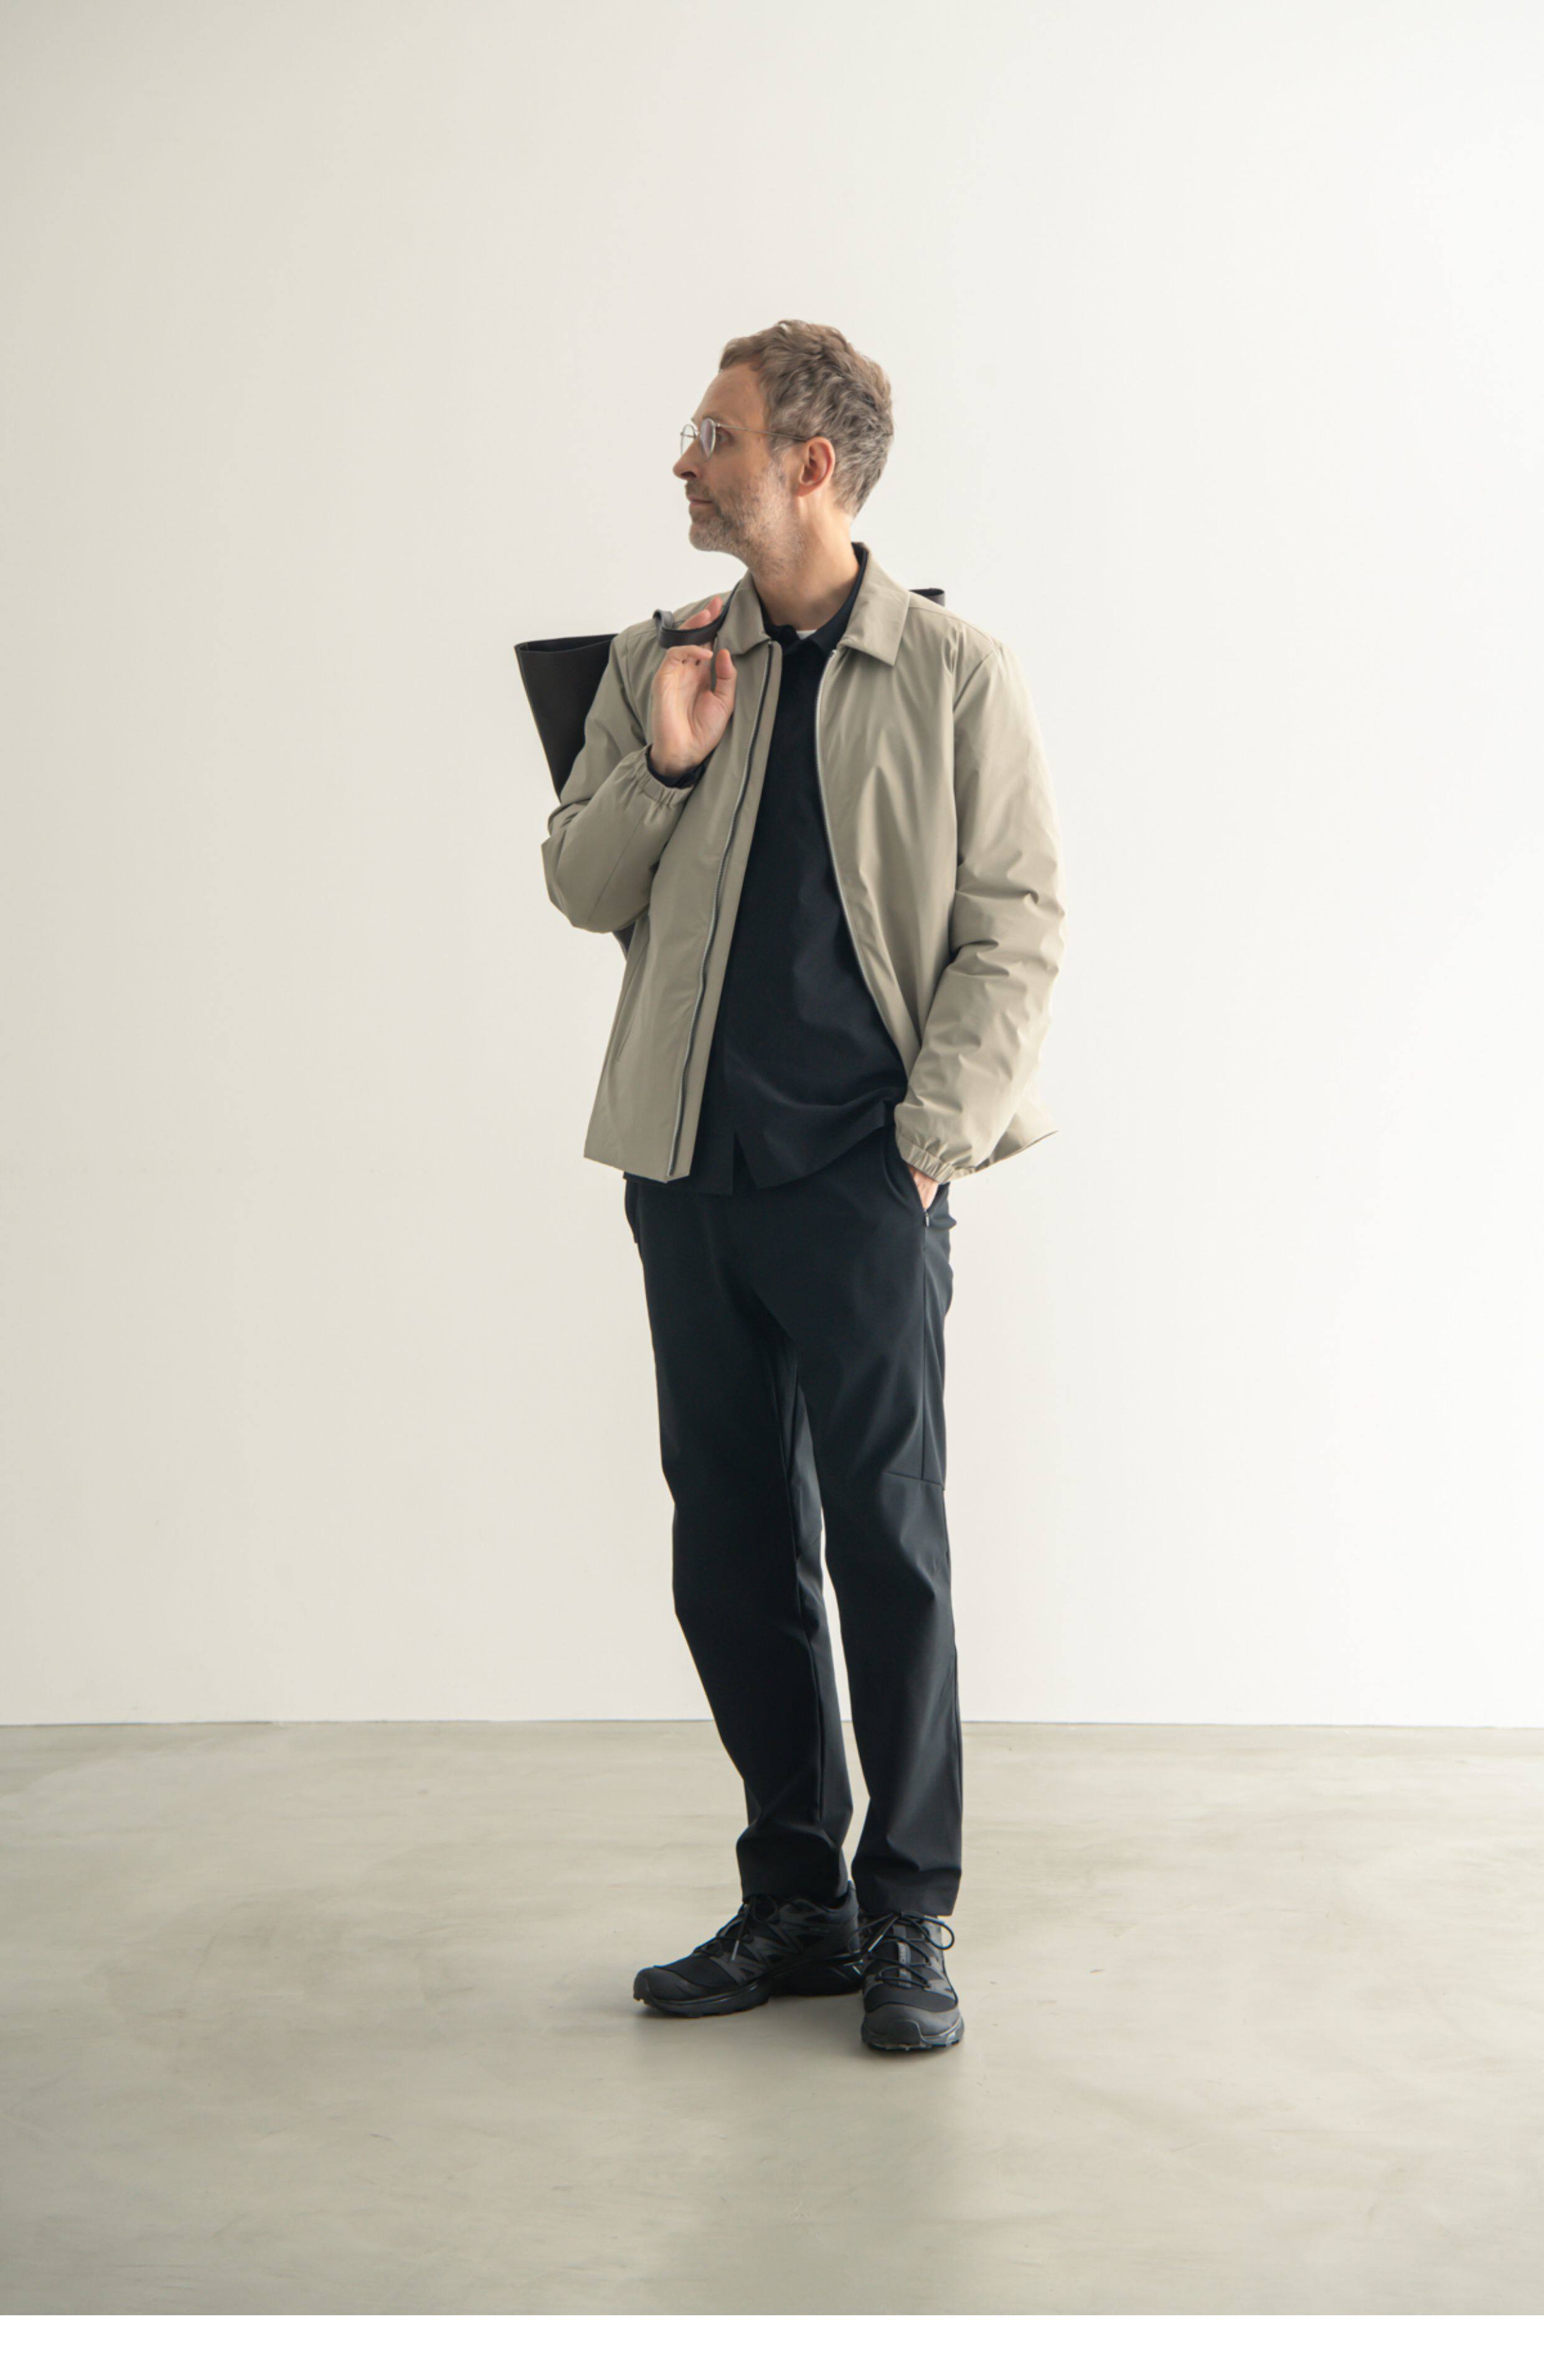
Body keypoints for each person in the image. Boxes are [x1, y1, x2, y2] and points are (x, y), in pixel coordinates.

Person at [540, 319, 1066, 2053]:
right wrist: (667, 760)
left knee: (888, 1546)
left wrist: (928, 1148)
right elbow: (581, 885)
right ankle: (797, 1900)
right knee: (731, 1549)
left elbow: (1014, 927)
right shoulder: (658, 658)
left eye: (717, 434)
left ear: (811, 466)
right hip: (690, 1173)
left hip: (862, 1181)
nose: (686, 460)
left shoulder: (954, 674)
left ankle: (910, 1910)